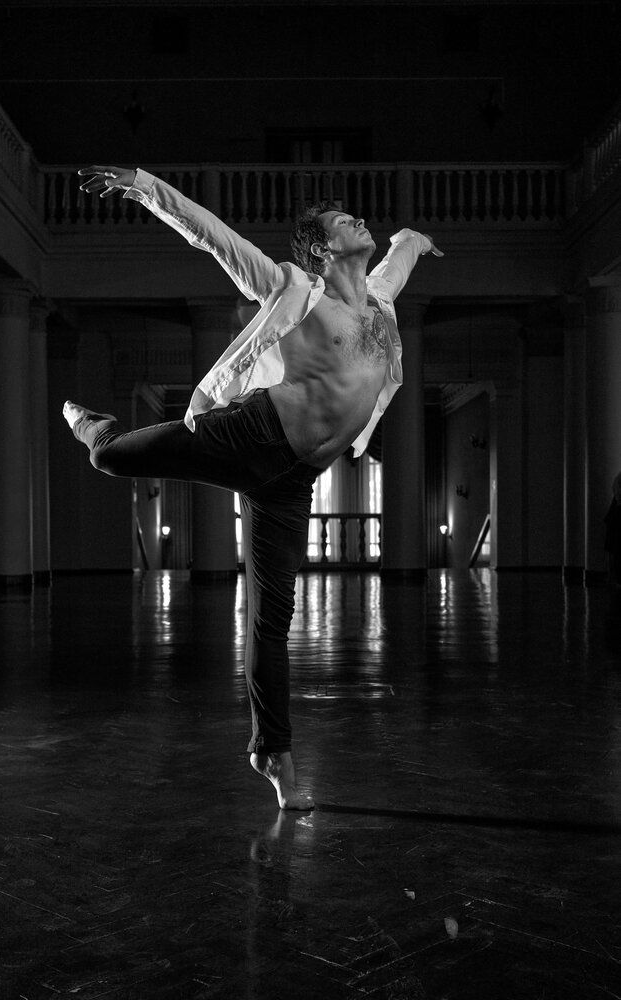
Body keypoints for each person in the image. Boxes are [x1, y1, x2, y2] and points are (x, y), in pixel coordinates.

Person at [65, 165, 443, 809]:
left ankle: (272, 752)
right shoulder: (296, 288)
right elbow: (212, 237)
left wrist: (415, 240)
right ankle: (96, 432)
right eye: (342, 220)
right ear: (322, 248)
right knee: (115, 460)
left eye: (357, 216)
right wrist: (141, 185)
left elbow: (400, 258)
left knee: (272, 619)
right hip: (252, 434)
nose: (358, 220)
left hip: (295, 479)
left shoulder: (379, 305)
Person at [604, 472, 621, 587]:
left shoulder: (618, 478)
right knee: (616, 548)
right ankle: (614, 578)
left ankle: (613, 578)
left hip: (615, 516)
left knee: (613, 548)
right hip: (617, 517)